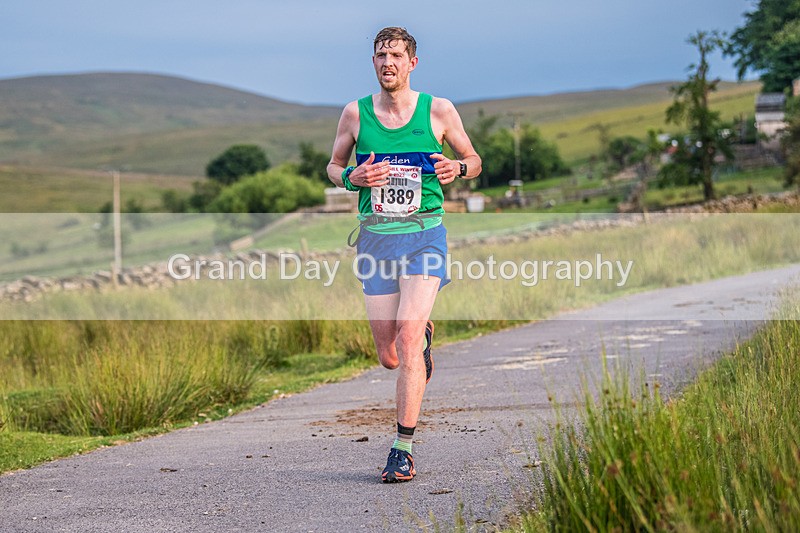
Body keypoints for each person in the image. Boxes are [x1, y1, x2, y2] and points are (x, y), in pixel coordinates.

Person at [327, 27, 481, 483]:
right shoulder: (355, 115)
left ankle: (402, 448)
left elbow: (473, 158)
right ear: (373, 63)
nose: (387, 62)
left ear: (413, 62)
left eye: (396, 54)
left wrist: (459, 167)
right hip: (376, 239)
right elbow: (333, 166)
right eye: (380, 55)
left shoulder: (438, 110)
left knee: (408, 342)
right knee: (389, 353)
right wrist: (352, 178)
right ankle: (421, 334)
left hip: (424, 236)